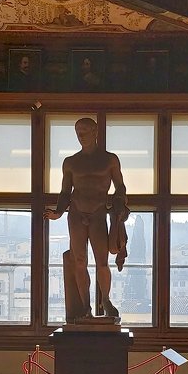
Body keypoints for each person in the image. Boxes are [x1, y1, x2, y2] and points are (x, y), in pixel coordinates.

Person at [44, 118, 128, 322]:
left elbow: (120, 186)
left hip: (98, 213)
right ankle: (85, 307)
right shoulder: (70, 162)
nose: (80, 135)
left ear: (95, 131)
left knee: (102, 261)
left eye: (84, 131)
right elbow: (65, 192)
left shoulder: (109, 160)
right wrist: (59, 212)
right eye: (77, 132)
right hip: (76, 214)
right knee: (79, 261)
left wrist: (119, 203)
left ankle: (105, 300)